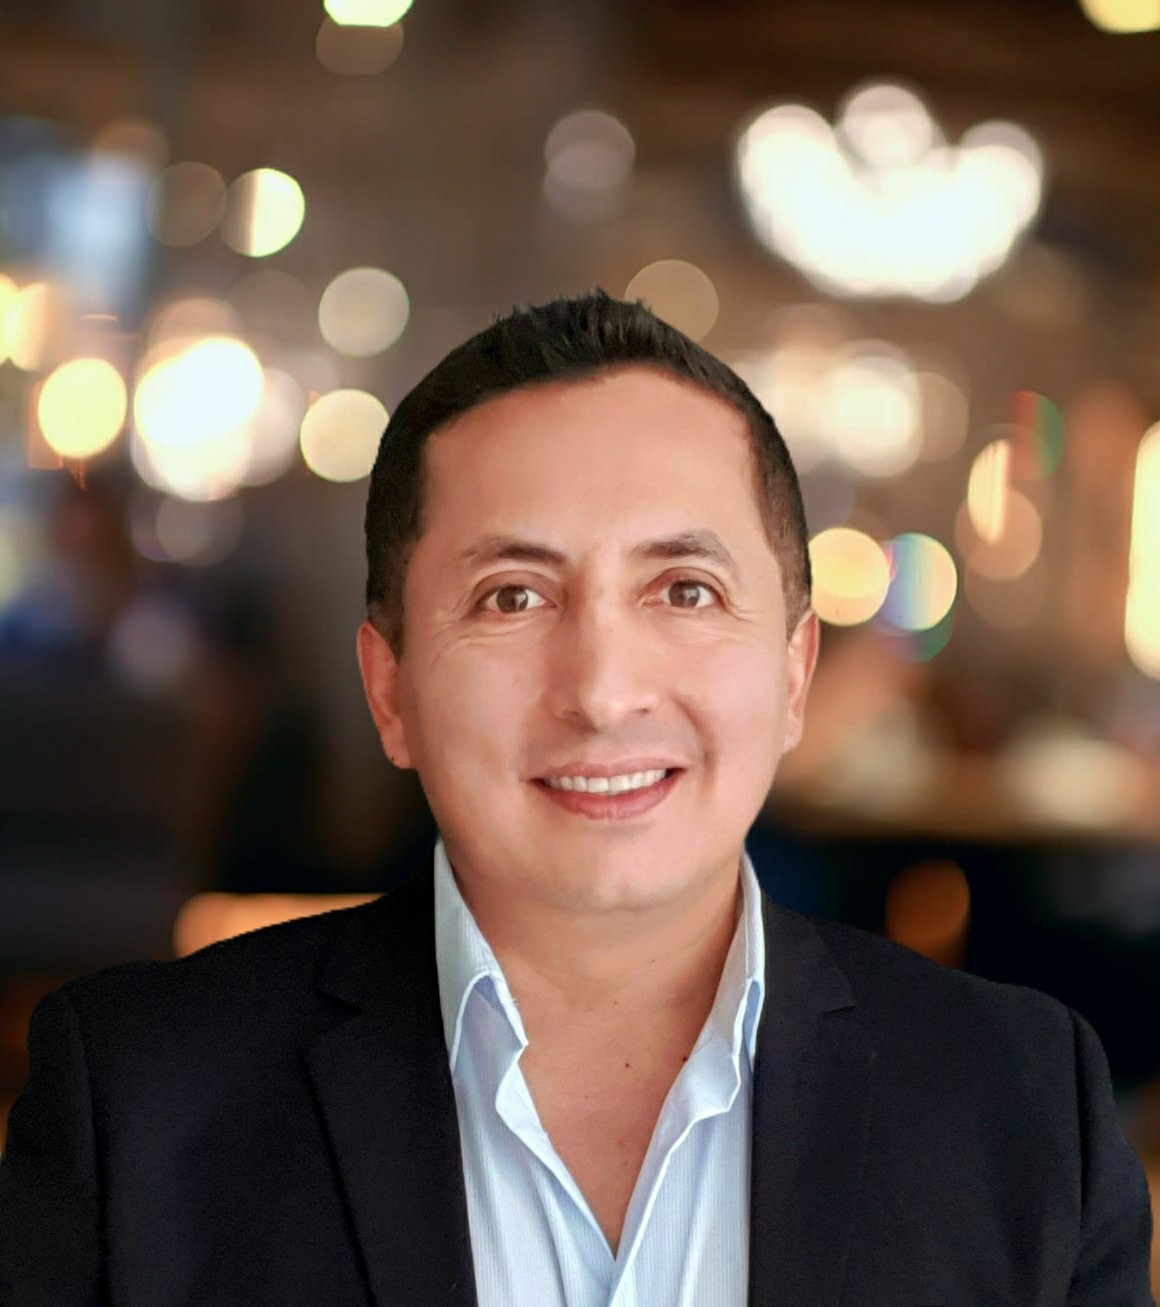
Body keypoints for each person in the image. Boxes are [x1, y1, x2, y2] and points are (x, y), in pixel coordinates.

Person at [0, 291, 1153, 1306]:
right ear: (389, 688)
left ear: (794, 672)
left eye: (684, 589)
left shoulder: (1019, 1103)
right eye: (511, 596)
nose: (602, 691)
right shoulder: (141, 1099)